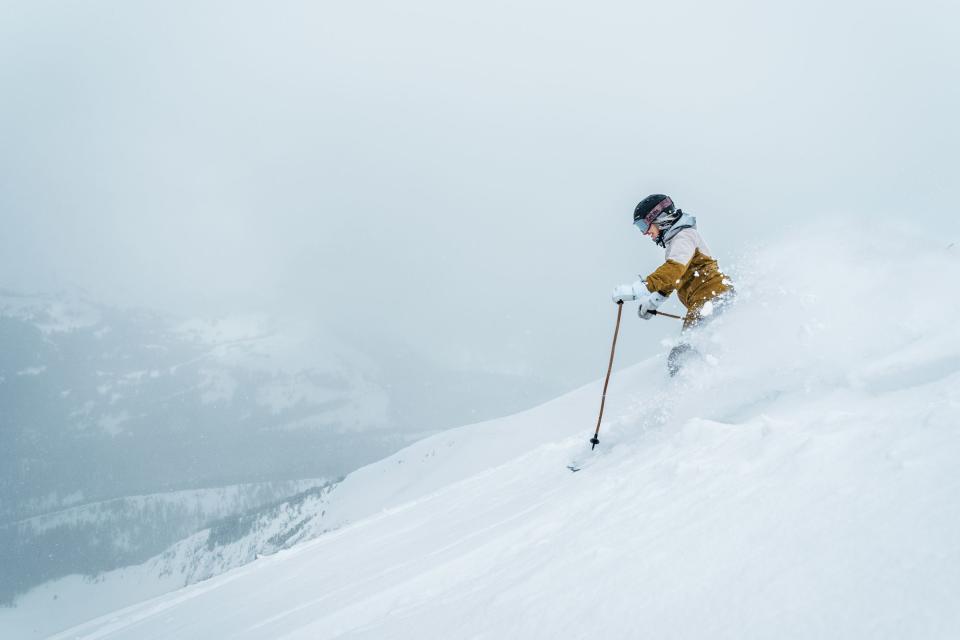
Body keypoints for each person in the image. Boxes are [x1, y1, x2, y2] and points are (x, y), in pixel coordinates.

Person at [611, 194, 734, 375]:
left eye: (645, 226)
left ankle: (698, 387)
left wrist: (638, 290)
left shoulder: (684, 236)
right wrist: (653, 302)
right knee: (688, 350)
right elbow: (675, 278)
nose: (646, 233)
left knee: (684, 354)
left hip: (712, 300)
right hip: (709, 301)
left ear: (661, 218)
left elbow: (673, 270)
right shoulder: (677, 241)